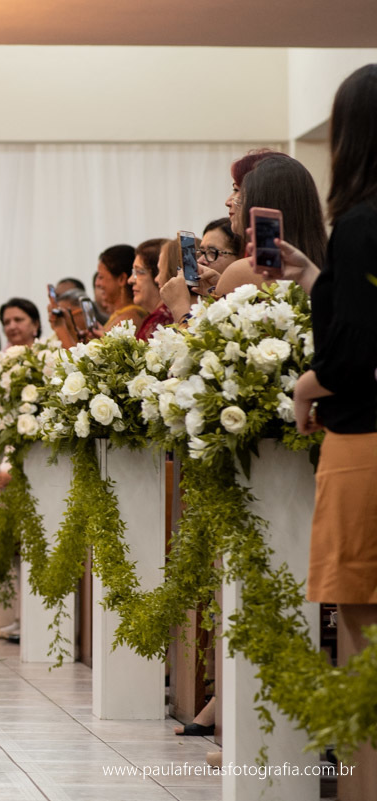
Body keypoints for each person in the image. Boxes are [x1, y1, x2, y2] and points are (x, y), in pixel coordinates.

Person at [291, 63, 377, 801]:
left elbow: (351, 357)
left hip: (364, 444)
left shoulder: (357, 225)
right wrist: (320, 281)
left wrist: (303, 383)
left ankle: (357, 783)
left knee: (359, 615)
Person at [212, 155, 328, 298]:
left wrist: (181, 304)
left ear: (260, 200)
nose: (229, 201)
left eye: (237, 190)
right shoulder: (331, 266)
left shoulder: (242, 272)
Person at [96, 244, 147, 332]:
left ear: (121, 279)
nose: (97, 283)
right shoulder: (123, 315)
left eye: (101, 277)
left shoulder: (128, 320)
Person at [132, 238, 170, 340]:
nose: (130, 280)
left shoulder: (161, 320)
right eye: (133, 273)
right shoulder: (158, 317)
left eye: (139, 272)